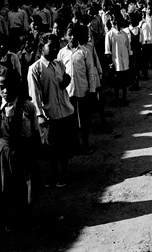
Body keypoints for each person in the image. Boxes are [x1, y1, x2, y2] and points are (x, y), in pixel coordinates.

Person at [0, 69, 40, 231]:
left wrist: (34, 153)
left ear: (17, 86)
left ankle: (28, 218)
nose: (6, 91)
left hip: (24, 151)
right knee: (7, 186)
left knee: (26, 185)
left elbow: (35, 131)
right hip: (5, 152)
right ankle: (11, 220)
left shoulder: (27, 106)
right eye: (2, 87)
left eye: (10, 86)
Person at [27, 33, 75, 187]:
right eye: (51, 46)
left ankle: (64, 175)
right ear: (42, 48)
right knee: (51, 148)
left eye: (56, 46)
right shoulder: (35, 69)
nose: (55, 49)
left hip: (64, 111)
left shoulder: (58, 64)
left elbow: (63, 81)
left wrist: (66, 80)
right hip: (49, 114)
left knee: (64, 146)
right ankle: (53, 177)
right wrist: (40, 116)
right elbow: (35, 96)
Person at [57, 24, 97, 153]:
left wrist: (92, 90)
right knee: (71, 122)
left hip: (83, 91)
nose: (72, 37)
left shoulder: (85, 51)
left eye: (74, 34)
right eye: (70, 34)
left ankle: (85, 144)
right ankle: (75, 145)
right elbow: (58, 73)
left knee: (84, 121)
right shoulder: (62, 53)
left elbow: (91, 72)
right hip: (68, 93)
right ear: (65, 36)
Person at [105, 14, 131, 105]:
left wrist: (128, 60)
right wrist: (110, 64)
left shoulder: (124, 34)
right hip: (116, 63)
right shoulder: (110, 34)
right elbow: (108, 51)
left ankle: (124, 98)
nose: (122, 23)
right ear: (115, 22)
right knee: (116, 82)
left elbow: (128, 47)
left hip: (124, 62)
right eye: (120, 21)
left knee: (124, 81)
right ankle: (116, 98)